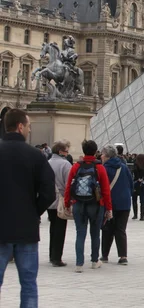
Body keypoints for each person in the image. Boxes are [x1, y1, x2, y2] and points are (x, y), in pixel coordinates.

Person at [0, 109, 55, 307]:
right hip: (26, 229)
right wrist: (34, 211)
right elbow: (49, 193)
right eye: (29, 126)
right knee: (29, 284)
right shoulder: (36, 155)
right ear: (20, 126)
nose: (30, 130)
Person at [64, 140, 113, 273]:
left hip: (78, 203)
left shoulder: (76, 167)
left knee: (80, 233)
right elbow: (105, 190)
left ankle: (79, 264)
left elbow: (69, 186)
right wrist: (109, 208)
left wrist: (67, 203)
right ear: (95, 150)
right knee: (95, 233)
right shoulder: (100, 168)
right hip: (96, 205)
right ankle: (94, 261)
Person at [101, 145, 133, 265]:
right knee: (121, 229)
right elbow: (131, 184)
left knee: (107, 229)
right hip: (124, 203)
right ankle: (123, 256)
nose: (101, 156)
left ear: (107, 156)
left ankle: (104, 255)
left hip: (110, 203)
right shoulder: (123, 167)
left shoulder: (104, 168)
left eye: (103, 154)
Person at [47, 140, 73, 267]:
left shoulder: (47, 163)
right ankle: (57, 258)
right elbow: (69, 184)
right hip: (61, 200)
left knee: (52, 228)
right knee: (60, 229)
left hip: (49, 199)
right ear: (61, 151)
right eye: (67, 150)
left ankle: (51, 255)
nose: (68, 153)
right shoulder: (65, 164)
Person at [132, 154, 144, 221]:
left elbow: (135, 174)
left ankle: (135, 214)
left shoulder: (136, 165)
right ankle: (142, 216)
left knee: (134, 199)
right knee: (142, 200)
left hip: (137, 184)